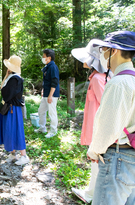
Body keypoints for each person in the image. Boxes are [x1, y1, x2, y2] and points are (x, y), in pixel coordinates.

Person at [87, 31, 135, 205]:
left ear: (114, 51)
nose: (102, 53)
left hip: (118, 158)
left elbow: (108, 127)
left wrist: (94, 150)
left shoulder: (118, 83)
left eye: (104, 49)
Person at [70, 39, 110, 204]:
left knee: (96, 160)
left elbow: (105, 104)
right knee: (96, 160)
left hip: (98, 126)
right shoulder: (100, 76)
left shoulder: (97, 79)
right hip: (97, 125)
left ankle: (92, 193)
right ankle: (92, 191)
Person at [0, 55, 30, 166]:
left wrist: (6, 78)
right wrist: (6, 75)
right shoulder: (12, 77)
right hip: (11, 108)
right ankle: (13, 154)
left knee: (16, 130)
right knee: (10, 130)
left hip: (12, 109)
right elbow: (2, 89)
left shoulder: (15, 79)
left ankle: (24, 156)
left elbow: (5, 94)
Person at [34, 49, 60, 138]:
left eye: (44, 57)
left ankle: (53, 131)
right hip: (46, 93)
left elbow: (54, 82)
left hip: (51, 94)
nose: (42, 58)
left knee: (52, 113)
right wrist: (43, 91)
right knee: (41, 111)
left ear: (49, 58)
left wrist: (50, 95)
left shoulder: (53, 67)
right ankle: (42, 128)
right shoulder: (47, 67)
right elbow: (46, 82)